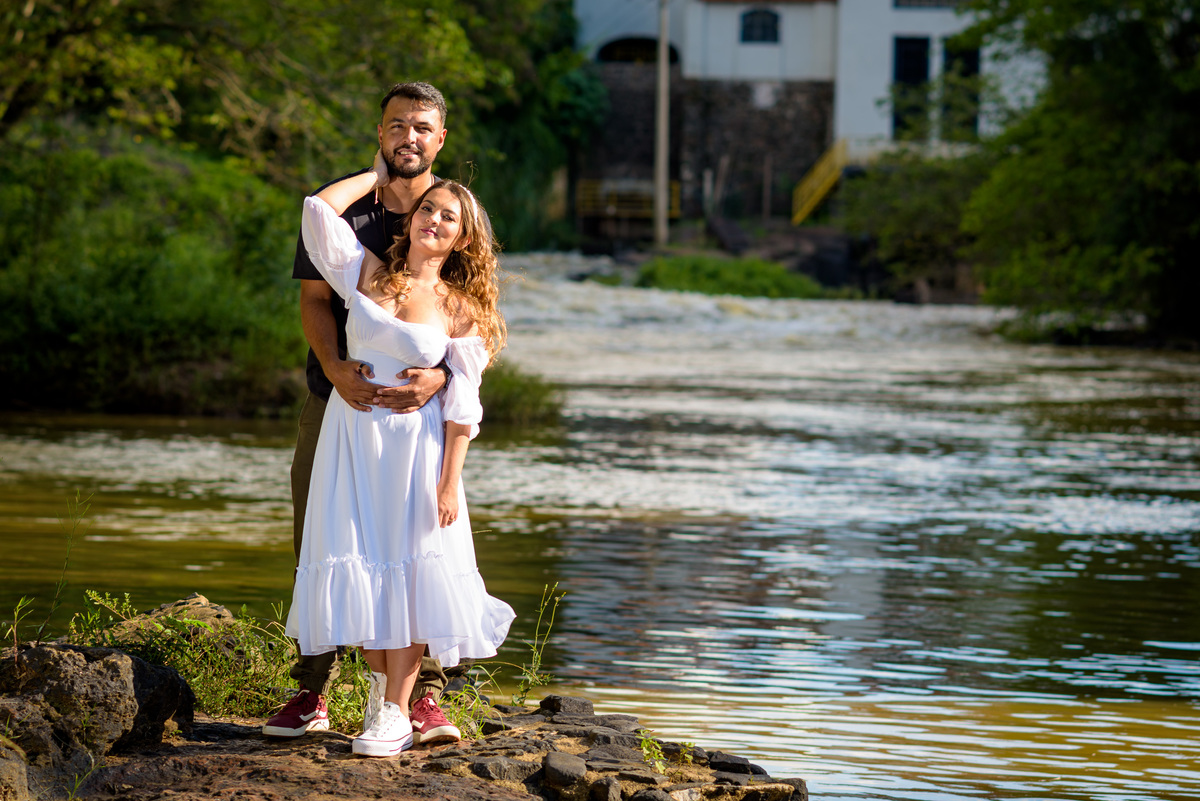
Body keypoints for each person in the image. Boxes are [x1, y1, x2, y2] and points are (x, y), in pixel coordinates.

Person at [286, 169, 514, 757]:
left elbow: (464, 407)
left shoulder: (460, 309)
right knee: (363, 564)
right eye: (427, 210)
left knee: (409, 576)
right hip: (352, 441)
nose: (434, 220)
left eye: (449, 217)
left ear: (463, 239)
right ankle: (377, 696)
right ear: (410, 219)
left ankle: (394, 709)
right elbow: (317, 212)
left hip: (416, 450)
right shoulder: (365, 271)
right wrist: (378, 174)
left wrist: (449, 485)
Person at [263, 82, 465, 742]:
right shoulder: (349, 210)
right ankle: (311, 689)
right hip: (337, 402)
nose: (409, 136)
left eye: (422, 127)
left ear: (440, 139)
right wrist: (332, 367)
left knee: (420, 543)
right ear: (380, 134)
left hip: (422, 419)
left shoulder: (451, 215)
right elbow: (317, 301)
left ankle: (421, 698)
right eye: (396, 124)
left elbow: (471, 323)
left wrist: (437, 380)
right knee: (323, 532)